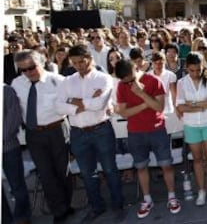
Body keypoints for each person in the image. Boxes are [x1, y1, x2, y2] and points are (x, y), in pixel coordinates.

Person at [56, 45, 124, 223]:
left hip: (101, 129)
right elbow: (59, 106)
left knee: (110, 169)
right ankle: (97, 207)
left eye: (82, 61)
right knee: (87, 173)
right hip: (78, 133)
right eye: (75, 63)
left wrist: (74, 101)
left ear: (90, 59)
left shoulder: (104, 78)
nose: (79, 66)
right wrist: (87, 101)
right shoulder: (67, 81)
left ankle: (118, 205)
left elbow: (99, 105)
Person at [12, 50, 74, 223]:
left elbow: (73, 102)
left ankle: (66, 204)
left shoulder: (58, 81)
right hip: (33, 134)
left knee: (63, 171)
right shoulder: (17, 83)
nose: (28, 73)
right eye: (23, 69)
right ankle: (58, 210)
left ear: (42, 62)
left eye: (31, 68)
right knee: (45, 173)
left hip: (57, 130)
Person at [115, 59, 181, 219]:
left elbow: (159, 107)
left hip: (157, 130)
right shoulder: (121, 85)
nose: (128, 83)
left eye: (131, 79)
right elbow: (124, 113)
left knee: (166, 165)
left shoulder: (153, 81)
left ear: (136, 69)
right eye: (125, 81)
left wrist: (141, 93)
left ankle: (172, 197)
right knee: (141, 167)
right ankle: (147, 199)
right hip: (135, 132)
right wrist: (146, 104)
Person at [176, 52, 207, 206]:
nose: (195, 73)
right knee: (197, 159)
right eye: (192, 70)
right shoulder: (181, 83)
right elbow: (181, 107)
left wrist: (192, 104)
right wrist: (202, 105)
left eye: (198, 70)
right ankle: (201, 190)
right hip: (191, 125)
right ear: (187, 68)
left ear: (203, 67)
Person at [2, 84, 31, 224]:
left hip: (8, 147)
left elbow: (14, 118)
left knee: (17, 185)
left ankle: (22, 218)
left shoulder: (6, 90)